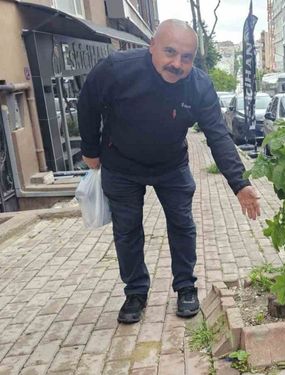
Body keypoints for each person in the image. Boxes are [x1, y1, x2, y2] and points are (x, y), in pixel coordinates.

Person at [78, 19, 261, 324]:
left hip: (171, 165)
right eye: (170, 52)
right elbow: (87, 103)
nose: (177, 64)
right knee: (127, 231)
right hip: (121, 164)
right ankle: (135, 292)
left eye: (186, 57)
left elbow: (217, 134)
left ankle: (185, 287)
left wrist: (240, 183)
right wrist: (90, 150)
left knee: (182, 225)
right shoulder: (116, 69)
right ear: (152, 46)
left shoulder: (199, 86)